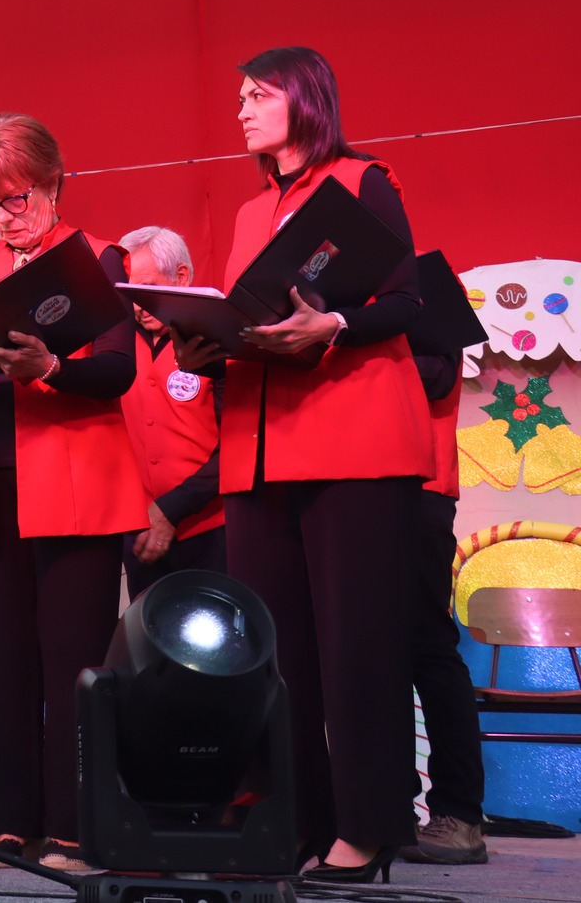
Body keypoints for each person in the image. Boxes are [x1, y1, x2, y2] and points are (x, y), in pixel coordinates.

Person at [190, 47, 432, 882]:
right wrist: (205, 339)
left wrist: (330, 327)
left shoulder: (364, 180)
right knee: (277, 651)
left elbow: (407, 299)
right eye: (239, 98)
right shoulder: (254, 209)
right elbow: (252, 315)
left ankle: (367, 829)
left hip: (352, 442)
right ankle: (298, 819)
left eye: (258, 95)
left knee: (356, 646)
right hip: (260, 450)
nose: (243, 110)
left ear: (306, 97)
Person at [0, 115, 146, 870]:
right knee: (1, 661)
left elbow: (118, 371)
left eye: (15, 198)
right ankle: (11, 820)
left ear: (54, 180)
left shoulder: (97, 257)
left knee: (72, 662)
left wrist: (51, 367)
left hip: (75, 484)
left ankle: (76, 828)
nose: (4, 216)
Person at [402, 282, 485, 866]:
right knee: (364, 659)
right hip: (353, 495)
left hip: (417, 492)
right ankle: (384, 804)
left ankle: (458, 813)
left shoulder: (425, 287)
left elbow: (432, 377)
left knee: (428, 649)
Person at [115, 226, 225, 598]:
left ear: (181, 276)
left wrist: (172, 509)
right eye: (128, 292)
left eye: (145, 289)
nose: (136, 305)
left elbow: (240, 446)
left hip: (212, 530)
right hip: (139, 532)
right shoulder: (115, 346)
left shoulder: (219, 337)